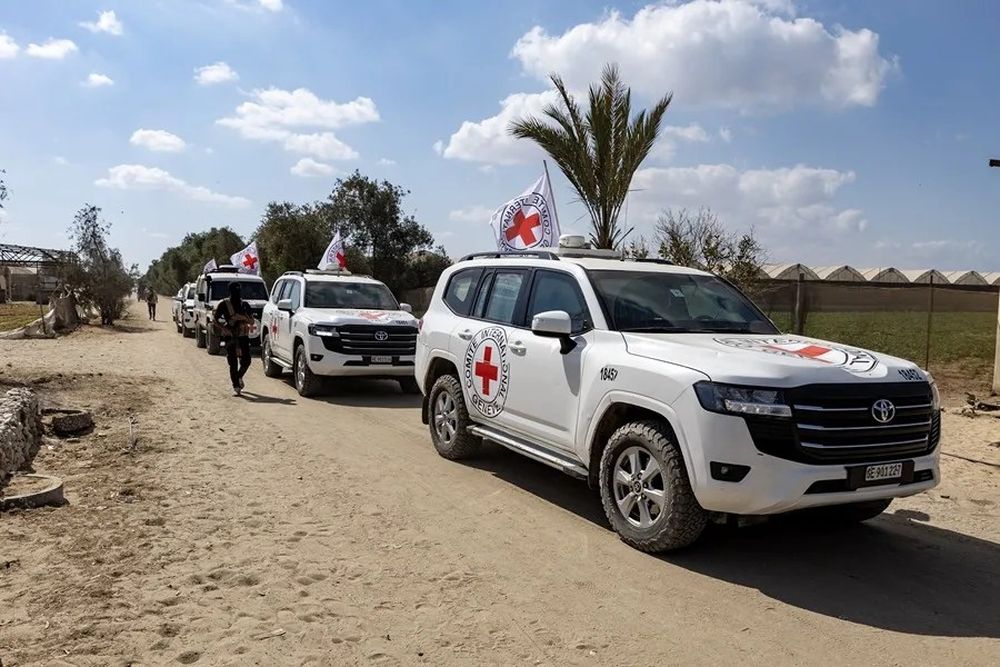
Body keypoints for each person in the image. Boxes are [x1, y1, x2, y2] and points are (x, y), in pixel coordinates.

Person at [214, 282, 253, 395]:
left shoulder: (244, 304)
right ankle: (236, 385)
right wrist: (224, 329)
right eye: (235, 290)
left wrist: (244, 318)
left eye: (238, 290)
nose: (237, 293)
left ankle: (239, 377)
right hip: (230, 336)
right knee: (233, 362)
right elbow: (215, 320)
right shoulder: (224, 304)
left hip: (243, 335)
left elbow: (252, 321)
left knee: (247, 360)